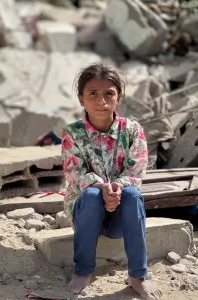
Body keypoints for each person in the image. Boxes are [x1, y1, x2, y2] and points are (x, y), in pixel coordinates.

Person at [62, 63, 161, 299]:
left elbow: (136, 171)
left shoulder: (132, 130)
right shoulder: (72, 133)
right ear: (81, 99)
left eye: (109, 93)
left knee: (133, 195)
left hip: (120, 214)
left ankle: (137, 276)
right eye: (93, 93)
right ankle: (83, 270)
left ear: (119, 97)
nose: (101, 101)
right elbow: (74, 174)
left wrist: (117, 188)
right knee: (92, 195)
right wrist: (102, 187)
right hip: (86, 212)